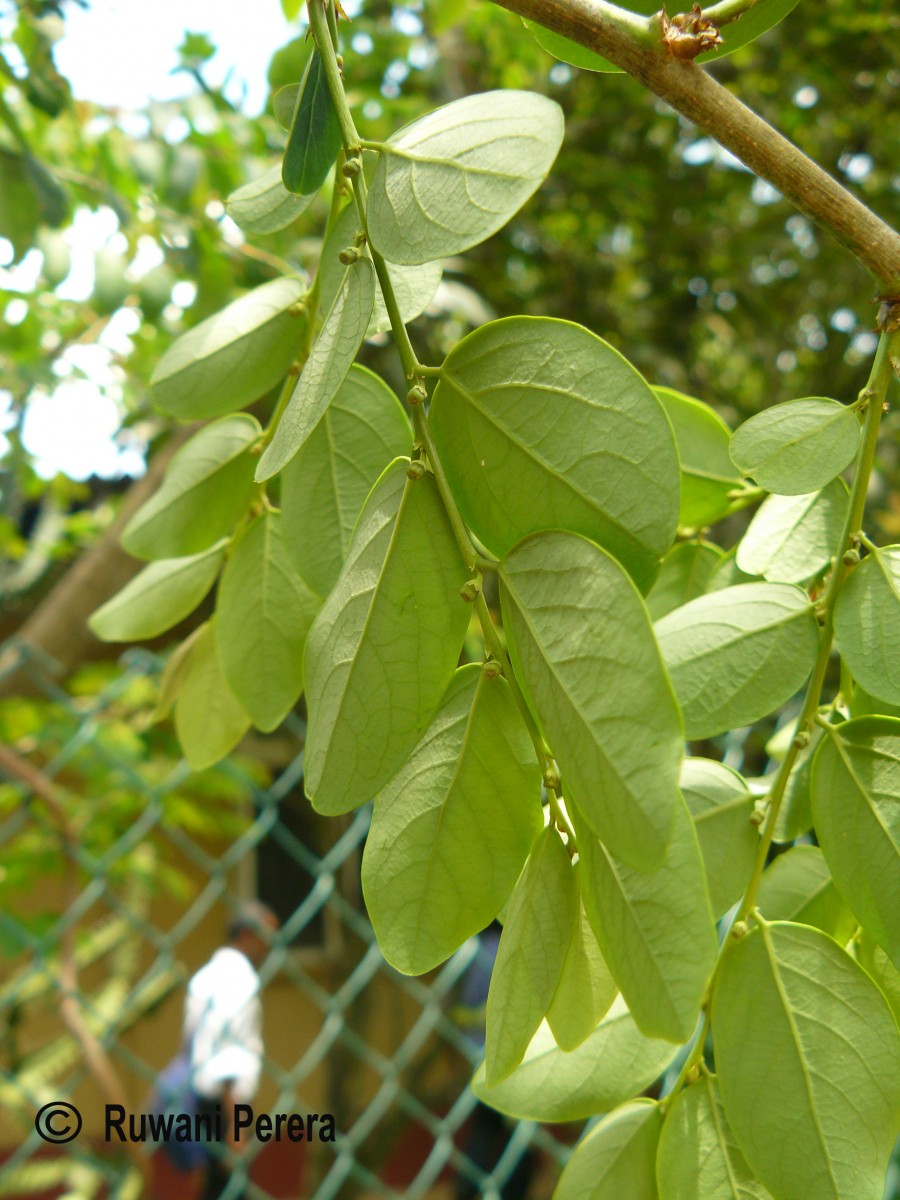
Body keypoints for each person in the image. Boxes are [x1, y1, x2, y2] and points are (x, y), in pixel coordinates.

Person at [184, 900, 279, 1200]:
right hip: (226, 1106)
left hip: (201, 1100)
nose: (270, 945)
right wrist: (237, 1128)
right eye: (267, 936)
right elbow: (228, 1059)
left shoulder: (204, 977)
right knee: (231, 1189)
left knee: (215, 1187)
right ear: (249, 935)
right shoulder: (240, 979)